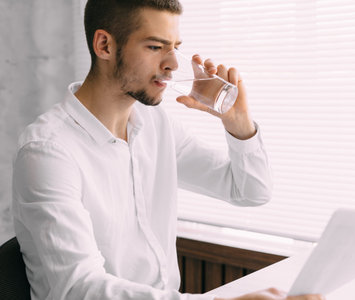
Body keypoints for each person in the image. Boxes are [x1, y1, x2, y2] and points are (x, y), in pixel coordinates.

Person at [12, 0, 324, 299]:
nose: (173, 64)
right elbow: (79, 289)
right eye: (155, 47)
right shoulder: (47, 152)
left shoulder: (155, 124)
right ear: (105, 45)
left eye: (175, 47)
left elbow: (251, 191)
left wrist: (238, 122)